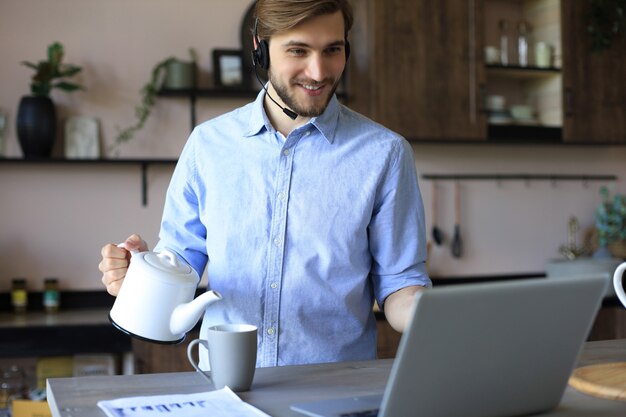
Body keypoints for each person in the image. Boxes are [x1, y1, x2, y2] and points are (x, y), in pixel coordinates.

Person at [99, 0, 431, 368]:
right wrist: (138, 276)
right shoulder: (207, 146)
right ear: (260, 48)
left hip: (335, 392)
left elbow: (400, 283)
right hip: (227, 391)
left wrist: (428, 312)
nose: (318, 71)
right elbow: (180, 263)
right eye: (298, 50)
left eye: (332, 50)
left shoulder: (386, 154)